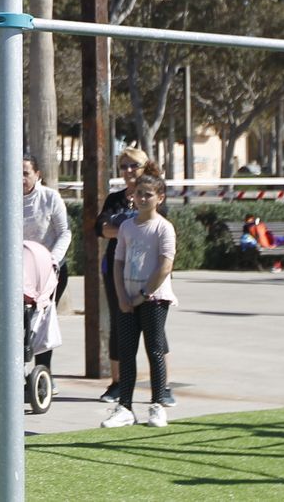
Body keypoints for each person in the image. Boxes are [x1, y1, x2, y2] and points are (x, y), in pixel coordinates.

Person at [102, 172, 178, 429]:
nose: (143, 198)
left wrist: (143, 295)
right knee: (126, 351)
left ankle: (157, 405)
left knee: (154, 349)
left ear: (160, 198)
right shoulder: (126, 226)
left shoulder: (163, 227)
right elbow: (118, 261)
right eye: (139, 193)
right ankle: (124, 406)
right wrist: (123, 295)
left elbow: (165, 266)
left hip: (154, 298)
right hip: (127, 298)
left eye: (149, 194)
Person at [97, 148, 164, 406]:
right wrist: (126, 231)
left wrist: (123, 230)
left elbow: (157, 228)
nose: (127, 171)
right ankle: (118, 386)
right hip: (117, 270)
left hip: (150, 274)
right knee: (120, 325)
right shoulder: (115, 199)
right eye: (123, 166)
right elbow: (100, 228)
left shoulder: (154, 194)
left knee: (155, 334)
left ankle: (162, 389)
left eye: (132, 166)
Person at [20, 154, 72, 302]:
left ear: (37, 174)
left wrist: (52, 260)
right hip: (20, 271)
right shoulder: (5, 199)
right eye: (16, 173)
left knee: (43, 320)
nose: (21, 179)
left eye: (25, 174)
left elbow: (64, 233)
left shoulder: (51, 197)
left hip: (50, 272)